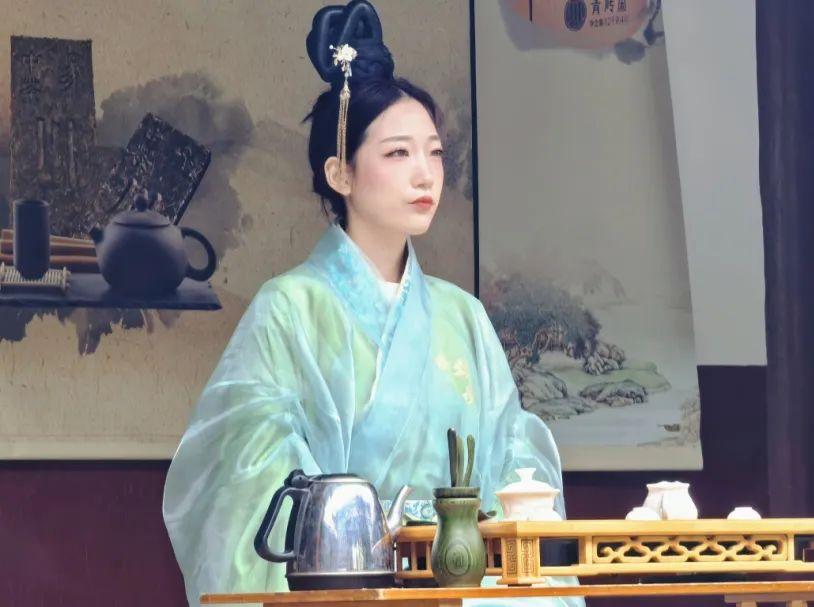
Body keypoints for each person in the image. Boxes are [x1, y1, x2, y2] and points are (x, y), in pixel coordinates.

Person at [162, 2, 579, 606]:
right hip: (345, 588)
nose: (425, 175)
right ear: (340, 173)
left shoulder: (462, 316)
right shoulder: (290, 308)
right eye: (398, 153)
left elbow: (514, 461)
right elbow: (247, 471)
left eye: (435, 153)